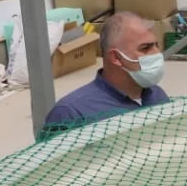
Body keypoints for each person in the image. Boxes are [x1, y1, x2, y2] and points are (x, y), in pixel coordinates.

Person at [40, 11, 170, 138]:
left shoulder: (157, 96)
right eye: (145, 48)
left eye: (156, 45)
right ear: (116, 57)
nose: (156, 53)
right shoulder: (72, 114)